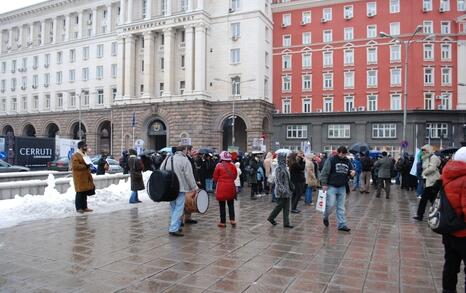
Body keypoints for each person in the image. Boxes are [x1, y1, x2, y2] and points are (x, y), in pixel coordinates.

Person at [440, 147, 466, 293]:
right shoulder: (464, 180)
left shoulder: (446, 175)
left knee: (450, 265)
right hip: (463, 232)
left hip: (448, 229)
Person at [161, 143, 198, 236]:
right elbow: (189, 175)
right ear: (184, 150)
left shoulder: (168, 158)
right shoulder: (184, 160)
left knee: (173, 207)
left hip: (169, 187)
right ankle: (173, 228)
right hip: (180, 187)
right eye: (186, 150)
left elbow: (161, 169)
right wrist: (194, 188)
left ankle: (176, 226)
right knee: (179, 208)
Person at [319, 146, 355, 232]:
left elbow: (351, 172)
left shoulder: (348, 161)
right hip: (331, 186)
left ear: (345, 153)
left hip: (342, 186)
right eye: (340, 153)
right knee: (330, 205)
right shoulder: (331, 160)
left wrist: (352, 174)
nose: (341, 155)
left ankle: (342, 224)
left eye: (343, 153)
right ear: (338, 152)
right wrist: (324, 183)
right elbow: (325, 172)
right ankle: (325, 216)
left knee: (341, 207)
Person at [413, 144, 441, 221]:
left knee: (425, 199)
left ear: (428, 150)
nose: (423, 152)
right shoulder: (425, 158)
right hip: (428, 180)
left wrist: (423, 173)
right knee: (432, 199)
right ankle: (433, 215)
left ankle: (420, 215)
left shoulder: (433, 157)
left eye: (424, 150)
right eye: (422, 150)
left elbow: (432, 168)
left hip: (433, 181)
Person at [267, 152, 294, 228]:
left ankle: (286, 223)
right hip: (281, 192)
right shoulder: (278, 168)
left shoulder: (285, 167)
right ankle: (271, 218)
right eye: (285, 158)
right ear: (282, 158)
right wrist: (284, 190)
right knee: (279, 206)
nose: (286, 159)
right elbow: (278, 181)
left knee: (287, 208)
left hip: (287, 191)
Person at [213, 151, 238, 228]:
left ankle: (223, 222)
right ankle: (232, 220)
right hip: (231, 186)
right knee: (231, 204)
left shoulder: (219, 166)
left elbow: (215, 177)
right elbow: (235, 176)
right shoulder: (233, 165)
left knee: (222, 205)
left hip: (221, 187)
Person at [71, 141, 95, 213]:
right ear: (81, 147)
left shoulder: (84, 155)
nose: (86, 147)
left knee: (84, 192)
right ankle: (79, 208)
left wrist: (89, 166)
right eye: (85, 146)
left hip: (85, 177)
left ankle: (85, 207)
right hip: (79, 177)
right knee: (79, 193)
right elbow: (75, 166)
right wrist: (85, 166)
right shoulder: (76, 155)